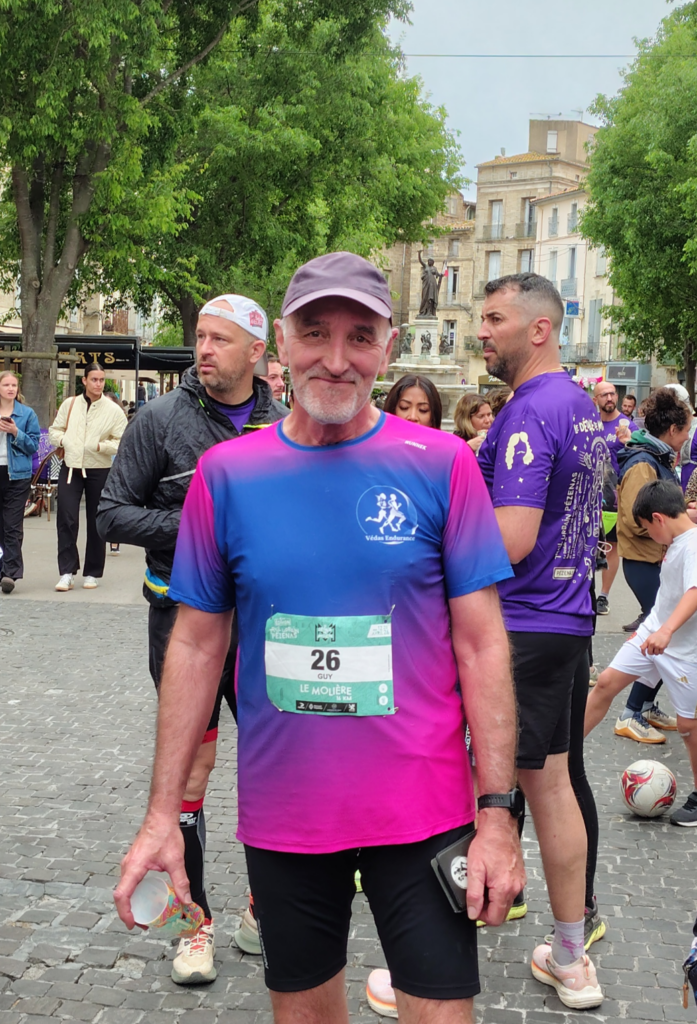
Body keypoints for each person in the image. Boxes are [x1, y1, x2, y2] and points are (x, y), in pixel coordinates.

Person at [114, 251, 525, 1024]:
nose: (336, 359)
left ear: (387, 346)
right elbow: (196, 647)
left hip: (424, 811)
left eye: (359, 336)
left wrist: (498, 815)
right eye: (314, 333)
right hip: (288, 816)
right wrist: (162, 814)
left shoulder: (441, 465)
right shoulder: (226, 476)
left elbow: (481, 645)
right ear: (281, 340)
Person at [98, 294, 286, 982]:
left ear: (256, 352)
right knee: (192, 772)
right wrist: (202, 527)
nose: (203, 349)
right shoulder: (159, 420)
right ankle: (192, 924)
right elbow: (112, 514)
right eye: (200, 337)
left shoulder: (284, 422)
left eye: (219, 339)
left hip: (265, 627)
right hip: (182, 623)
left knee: (277, 765)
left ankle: (264, 909)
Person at [477, 272, 605, 1009]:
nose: (481, 331)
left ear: (538, 329)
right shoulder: (579, 405)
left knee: (476, 789)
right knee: (551, 786)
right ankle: (570, 955)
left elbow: (512, 538)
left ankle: (427, 965)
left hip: (518, 627)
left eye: (494, 318)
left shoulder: (529, 409)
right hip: (564, 622)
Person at [586, 479, 697, 825]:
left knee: (689, 727)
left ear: (659, 518)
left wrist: (667, 630)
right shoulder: (678, 536)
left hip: (683, 649)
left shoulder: (692, 546)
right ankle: (561, 758)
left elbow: (694, 591)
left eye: (648, 528)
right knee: (606, 684)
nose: (649, 535)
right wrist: (655, 627)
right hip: (652, 633)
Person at [613, 388, 690, 742]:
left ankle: (643, 707)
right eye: (685, 430)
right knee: (662, 637)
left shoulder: (656, 456)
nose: (687, 437)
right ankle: (631, 712)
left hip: (655, 559)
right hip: (644, 561)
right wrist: (680, 525)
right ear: (672, 429)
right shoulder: (644, 462)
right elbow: (636, 518)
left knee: (664, 636)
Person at [48, 364, 126, 592]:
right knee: (66, 518)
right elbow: (54, 431)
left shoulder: (113, 410)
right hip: (71, 467)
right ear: (84, 381)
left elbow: (122, 440)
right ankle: (66, 572)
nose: (98, 384)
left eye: (101, 380)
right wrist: (65, 441)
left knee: (96, 520)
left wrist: (100, 446)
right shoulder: (70, 404)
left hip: (99, 469)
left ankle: (92, 572)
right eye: (94, 379)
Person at [0, 371, 40, 594]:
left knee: (12, 525)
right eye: (6, 384)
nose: (10, 389)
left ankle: (10, 573)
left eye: (13, 385)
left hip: (17, 476)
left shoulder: (26, 414)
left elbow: (33, 446)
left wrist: (16, 432)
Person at [593, 381, 625, 616]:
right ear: (596, 400)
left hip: (614, 494)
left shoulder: (625, 425)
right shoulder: (590, 424)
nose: (610, 398)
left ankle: (603, 596)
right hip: (589, 492)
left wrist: (628, 442)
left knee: (611, 545)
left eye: (612, 394)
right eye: (604, 395)